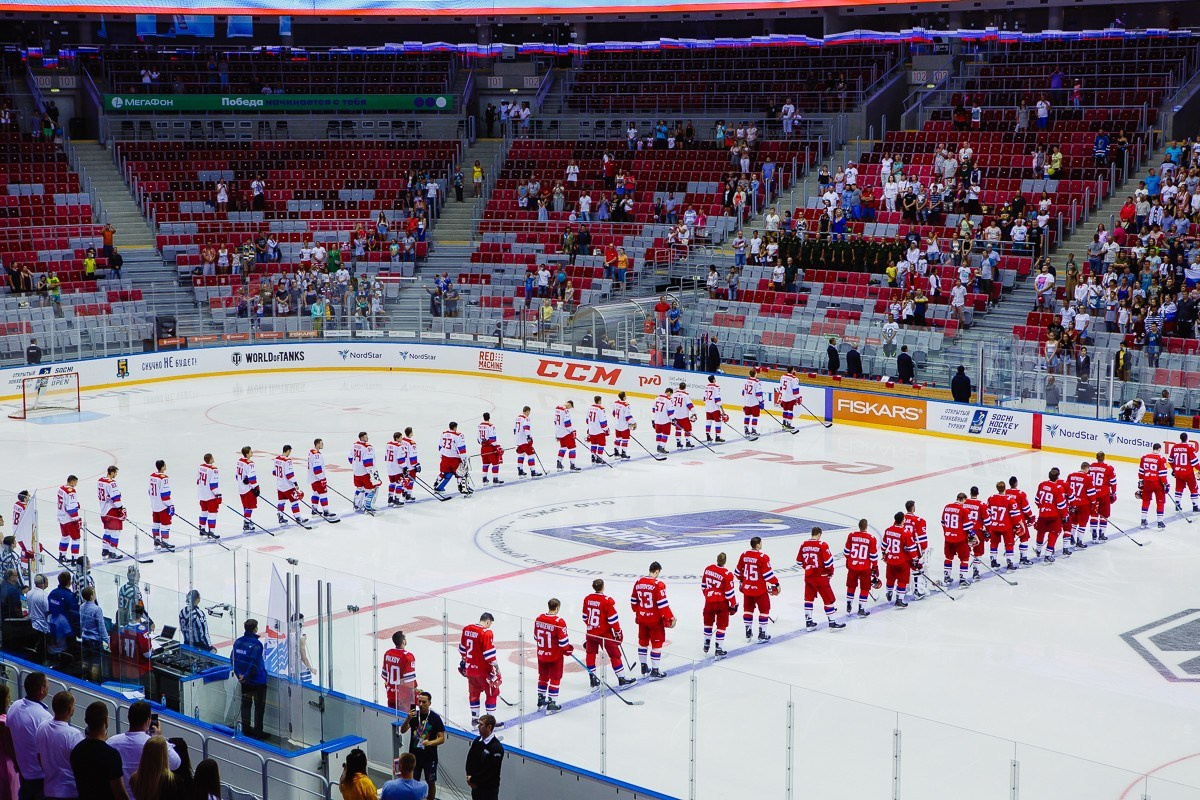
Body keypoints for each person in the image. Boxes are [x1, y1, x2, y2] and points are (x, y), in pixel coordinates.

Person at [107, 703, 180, 792]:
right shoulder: (154, 744)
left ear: (128, 718)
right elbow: (176, 764)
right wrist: (160, 738)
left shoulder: (111, 742)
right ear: (148, 721)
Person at [580, 579, 635, 690]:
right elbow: (613, 619)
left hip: (590, 633)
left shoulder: (587, 599)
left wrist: (593, 627)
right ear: (603, 587)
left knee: (590, 654)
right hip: (604, 634)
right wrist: (618, 632)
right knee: (615, 655)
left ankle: (593, 680)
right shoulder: (607, 601)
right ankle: (622, 679)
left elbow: (585, 617)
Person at [70, 703, 127, 800]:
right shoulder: (111, 755)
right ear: (106, 721)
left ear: (86, 721)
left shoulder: (77, 751)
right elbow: (119, 792)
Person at [9, 672, 51, 800]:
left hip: (23, 771)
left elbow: (7, 736)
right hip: (40, 777)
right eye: (47, 684)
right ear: (42, 689)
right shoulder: (45, 718)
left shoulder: (14, 706)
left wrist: (15, 760)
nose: (49, 686)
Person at [630, 562, 675, 679]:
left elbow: (634, 601)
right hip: (655, 620)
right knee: (657, 644)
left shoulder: (639, 582)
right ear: (657, 571)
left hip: (642, 617)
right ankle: (655, 671)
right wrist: (671, 618)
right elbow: (662, 605)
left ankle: (643, 668)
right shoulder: (658, 585)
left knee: (643, 642)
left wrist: (638, 612)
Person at [36, 692, 83, 800]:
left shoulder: (42, 727)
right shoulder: (74, 735)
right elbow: (82, 766)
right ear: (70, 709)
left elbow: (39, 756)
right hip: (70, 792)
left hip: (48, 790)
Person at [796, 527, 845, 630]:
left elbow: (799, 562)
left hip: (809, 577)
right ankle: (832, 623)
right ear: (818, 534)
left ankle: (809, 623)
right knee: (828, 600)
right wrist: (830, 573)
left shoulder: (804, 544)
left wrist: (808, 568)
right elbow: (828, 563)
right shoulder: (822, 545)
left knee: (808, 599)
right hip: (821, 577)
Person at [733, 537, 779, 643]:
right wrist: (776, 583)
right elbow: (768, 575)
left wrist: (742, 581)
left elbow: (737, 572)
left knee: (748, 610)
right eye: (761, 543)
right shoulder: (763, 557)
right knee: (764, 610)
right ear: (758, 545)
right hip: (760, 590)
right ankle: (762, 634)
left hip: (747, 589)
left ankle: (748, 631)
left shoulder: (744, 555)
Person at [398, 693, 443, 800]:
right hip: (414, 756)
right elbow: (403, 730)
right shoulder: (414, 716)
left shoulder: (435, 718)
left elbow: (442, 738)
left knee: (431, 782)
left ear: (429, 703)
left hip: (430, 756)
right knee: (413, 781)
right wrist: (408, 718)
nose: (421, 704)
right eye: (419, 702)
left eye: (424, 702)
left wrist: (430, 743)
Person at [458, 613, 500, 725]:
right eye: (490, 624)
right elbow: (489, 655)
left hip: (470, 670)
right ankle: (490, 722)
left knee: (474, 693)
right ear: (488, 621)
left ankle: (475, 720)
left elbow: (462, 650)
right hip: (483, 671)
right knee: (492, 694)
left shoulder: (467, 629)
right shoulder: (486, 633)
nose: (489, 626)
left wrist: (466, 662)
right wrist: (497, 668)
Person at [533, 599, 572, 714]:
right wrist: (568, 650)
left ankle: (541, 699)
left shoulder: (539, 618)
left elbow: (536, 637)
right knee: (555, 678)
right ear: (557, 607)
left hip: (541, 654)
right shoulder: (559, 622)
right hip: (555, 656)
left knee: (543, 677)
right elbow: (564, 643)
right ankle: (551, 704)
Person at [231, 620, 268, 740]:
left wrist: (239, 675)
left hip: (244, 681)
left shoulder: (238, 642)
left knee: (246, 704)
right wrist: (245, 675)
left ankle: (246, 729)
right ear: (255, 629)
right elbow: (254, 663)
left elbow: (233, 659)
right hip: (257, 681)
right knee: (259, 706)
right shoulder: (257, 644)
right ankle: (258, 732)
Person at [700, 552, 736, 658]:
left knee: (708, 623)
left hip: (709, 602)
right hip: (721, 603)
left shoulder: (708, 569)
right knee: (721, 626)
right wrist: (734, 604)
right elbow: (729, 593)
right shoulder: (727, 574)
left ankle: (706, 644)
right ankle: (718, 649)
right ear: (725, 561)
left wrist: (708, 596)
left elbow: (703, 586)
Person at [881, 512, 918, 608]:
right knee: (902, 580)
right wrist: (915, 559)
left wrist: (885, 555)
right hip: (902, 561)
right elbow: (912, 549)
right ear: (903, 520)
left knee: (890, 578)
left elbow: (884, 546)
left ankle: (889, 593)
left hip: (890, 560)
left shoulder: (888, 530)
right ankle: (899, 599)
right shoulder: (906, 532)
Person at [464, 716, 503, 800]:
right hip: (475, 786)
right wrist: (469, 777)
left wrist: (474, 779)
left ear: (489, 727)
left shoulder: (496, 748)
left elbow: (490, 771)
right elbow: (469, 759)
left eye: (481, 725)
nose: (478, 727)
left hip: (488, 789)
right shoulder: (477, 740)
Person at [1033, 469, 1068, 563]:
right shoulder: (1058, 488)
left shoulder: (1042, 484)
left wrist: (1043, 507)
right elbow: (1061, 505)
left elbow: (1037, 500)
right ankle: (1048, 556)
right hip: (1054, 516)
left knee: (1040, 531)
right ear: (1057, 477)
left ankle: (1038, 550)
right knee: (1053, 534)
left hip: (1042, 514)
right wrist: (1064, 516)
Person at [382, 631, 418, 713]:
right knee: (406, 721)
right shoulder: (408, 656)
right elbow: (409, 681)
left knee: (392, 718)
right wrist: (416, 690)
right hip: (404, 697)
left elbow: (385, 676)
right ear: (403, 641)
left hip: (391, 694)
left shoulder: (388, 653)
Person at [1139, 444, 1170, 530]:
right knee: (1160, 502)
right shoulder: (1161, 458)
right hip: (1157, 484)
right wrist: (1166, 484)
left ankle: (1143, 520)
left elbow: (1141, 471)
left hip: (1146, 483)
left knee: (1145, 501)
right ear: (1159, 449)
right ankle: (1160, 522)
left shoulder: (1144, 457)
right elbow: (1162, 475)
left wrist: (1141, 481)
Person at [1170, 433, 1200, 513]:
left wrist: (1174, 469)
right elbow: (1194, 462)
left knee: (1179, 488)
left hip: (1178, 472)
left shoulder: (1175, 447)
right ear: (1187, 438)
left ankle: (1177, 505)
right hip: (1188, 473)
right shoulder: (1189, 447)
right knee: (1194, 489)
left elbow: (1170, 460)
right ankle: (1195, 507)